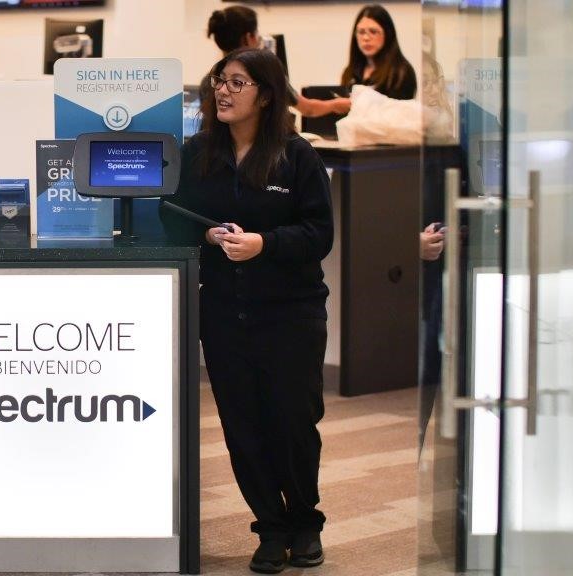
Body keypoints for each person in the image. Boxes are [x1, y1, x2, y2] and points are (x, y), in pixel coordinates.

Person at [161, 48, 334, 573]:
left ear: (265, 93)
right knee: (242, 425)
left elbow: (319, 234)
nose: (224, 90)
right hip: (223, 312)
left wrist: (267, 243)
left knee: (293, 422)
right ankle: (270, 526)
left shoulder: (296, 155)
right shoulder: (198, 154)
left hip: (291, 314)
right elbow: (172, 218)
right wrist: (205, 234)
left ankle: (305, 522)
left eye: (237, 82)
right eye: (220, 80)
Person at [205, 5, 345, 119]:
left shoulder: (208, 81)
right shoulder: (266, 77)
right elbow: (308, 109)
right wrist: (336, 104)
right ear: (248, 38)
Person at [330, 4, 418, 115]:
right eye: (361, 32)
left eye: (373, 31)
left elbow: (399, 118)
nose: (366, 38)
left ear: (387, 34)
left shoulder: (402, 72)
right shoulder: (350, 72)